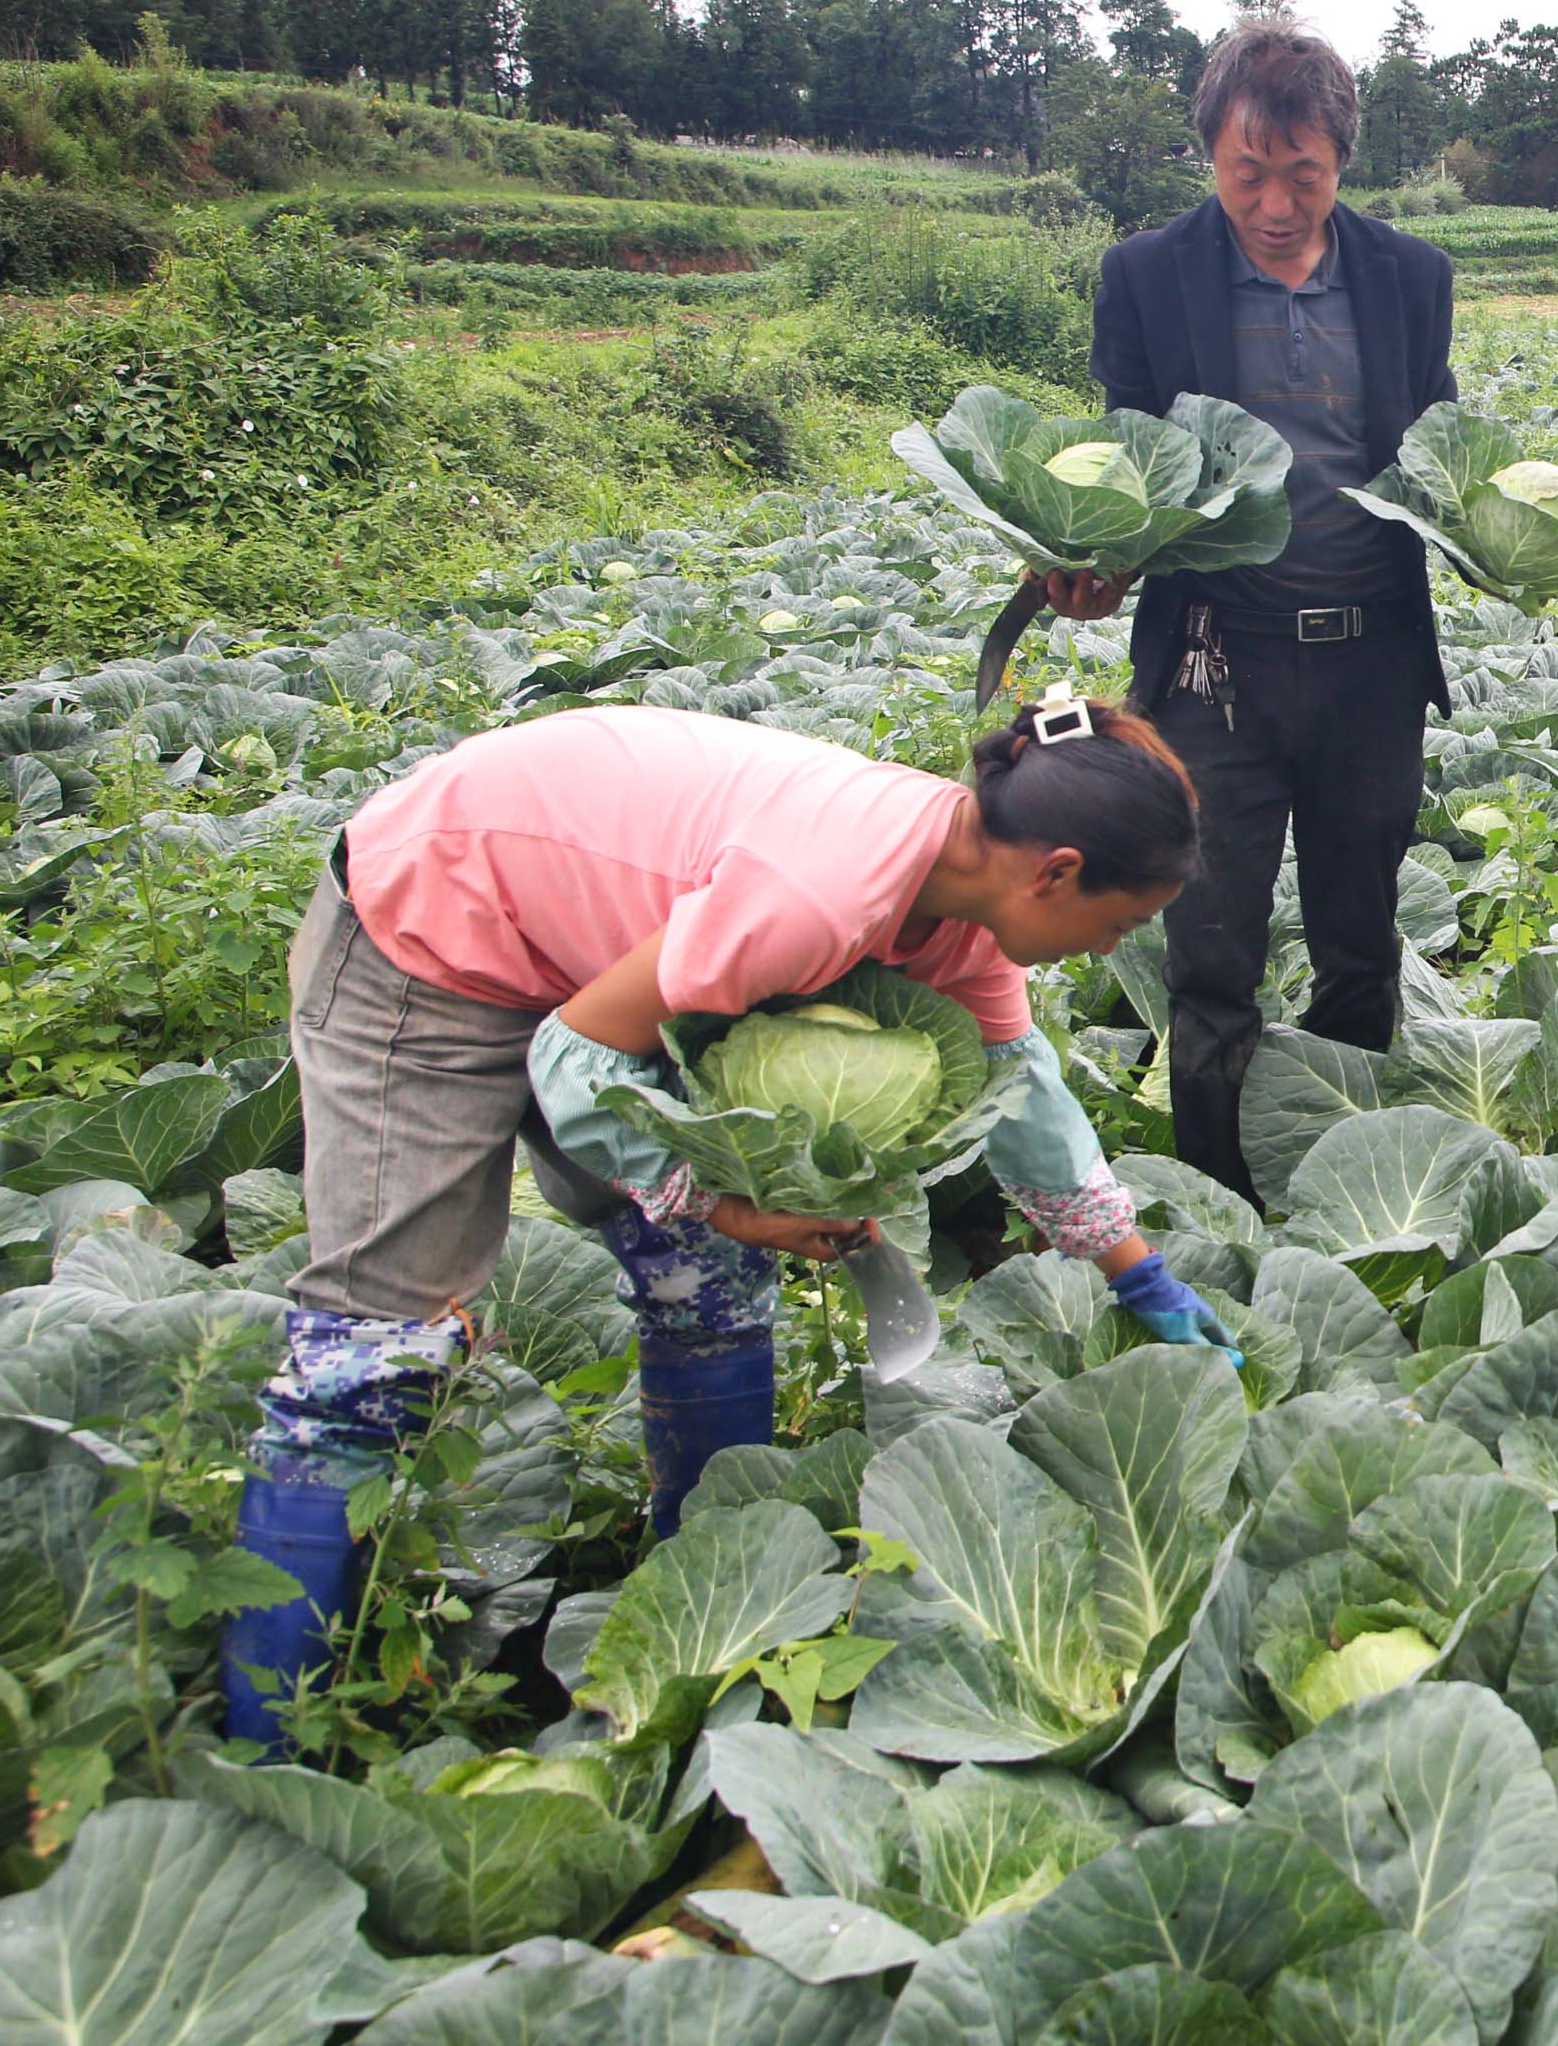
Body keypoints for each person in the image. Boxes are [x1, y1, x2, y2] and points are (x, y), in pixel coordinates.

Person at [222, 698, 1228, 1753]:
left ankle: (694, 1621)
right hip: (437, 928)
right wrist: (720, 1200)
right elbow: (577, 1061)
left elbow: (1025, 1096)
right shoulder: (817, 894)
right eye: (1117, 925)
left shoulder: (966, 911)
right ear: (1056, 872)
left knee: (705, 1284)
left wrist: (1136, 1272)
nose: (1108, 948)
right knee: (379, 1353)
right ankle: (265, 1751)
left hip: (606, 951)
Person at [1032, 23, 1457, 1193]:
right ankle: (1218, 1201)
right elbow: (1132, 460)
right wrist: (1093, 561)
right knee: (1208, 946)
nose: (1274, 203)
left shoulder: (1412, 279)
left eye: (1302, 175)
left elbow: (1441, 450)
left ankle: (1351, 1186)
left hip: (1370, 662)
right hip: (1215, 665)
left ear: (1341, 163)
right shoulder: (1146, 277)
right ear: (1210, 155)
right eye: (1247, 172)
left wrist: (1494, 535)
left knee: (1360, 942)